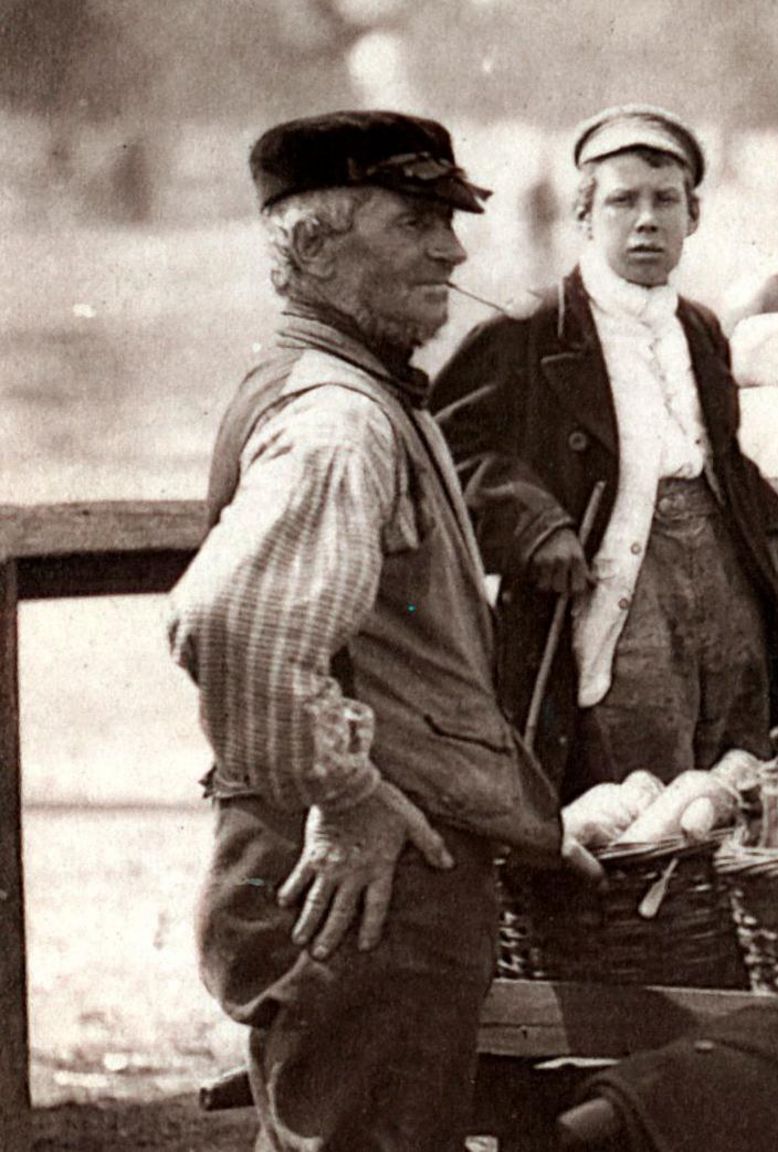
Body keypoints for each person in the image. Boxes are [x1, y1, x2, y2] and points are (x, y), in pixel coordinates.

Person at [169, 111, 581, 1148]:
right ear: (313, 249)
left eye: (449, 219)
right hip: (362, 897)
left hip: (359, 889)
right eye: (414, 221)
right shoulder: (340, 420)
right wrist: (350, 801)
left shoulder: (344, 391)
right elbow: (232, 626)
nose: (452, 249)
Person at [433, 105, 778, 801]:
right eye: (623, 201)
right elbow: (446, 449)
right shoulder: (534, 327)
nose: (646, 220)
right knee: (638, 795)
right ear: (584, 215)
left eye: (666, 202)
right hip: (611, 589)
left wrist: (768, 526)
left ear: (694, 216)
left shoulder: (701, 329)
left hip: (720, 582)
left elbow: (720, 453)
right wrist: (533, 522)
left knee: (734, 777)